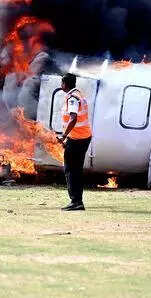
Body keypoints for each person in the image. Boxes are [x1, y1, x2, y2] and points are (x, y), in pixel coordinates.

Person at [57, 73, 93, 211]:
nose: (61, 86)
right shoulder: (79, 94)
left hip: (77, 138)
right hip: (83, 137)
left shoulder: (72, 98)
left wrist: (64, 136)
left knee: (70, 169)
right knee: (76, 169)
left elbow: (73, 118)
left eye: (62, 83)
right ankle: (78, 201)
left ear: (65, 84)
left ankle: (76, 201)